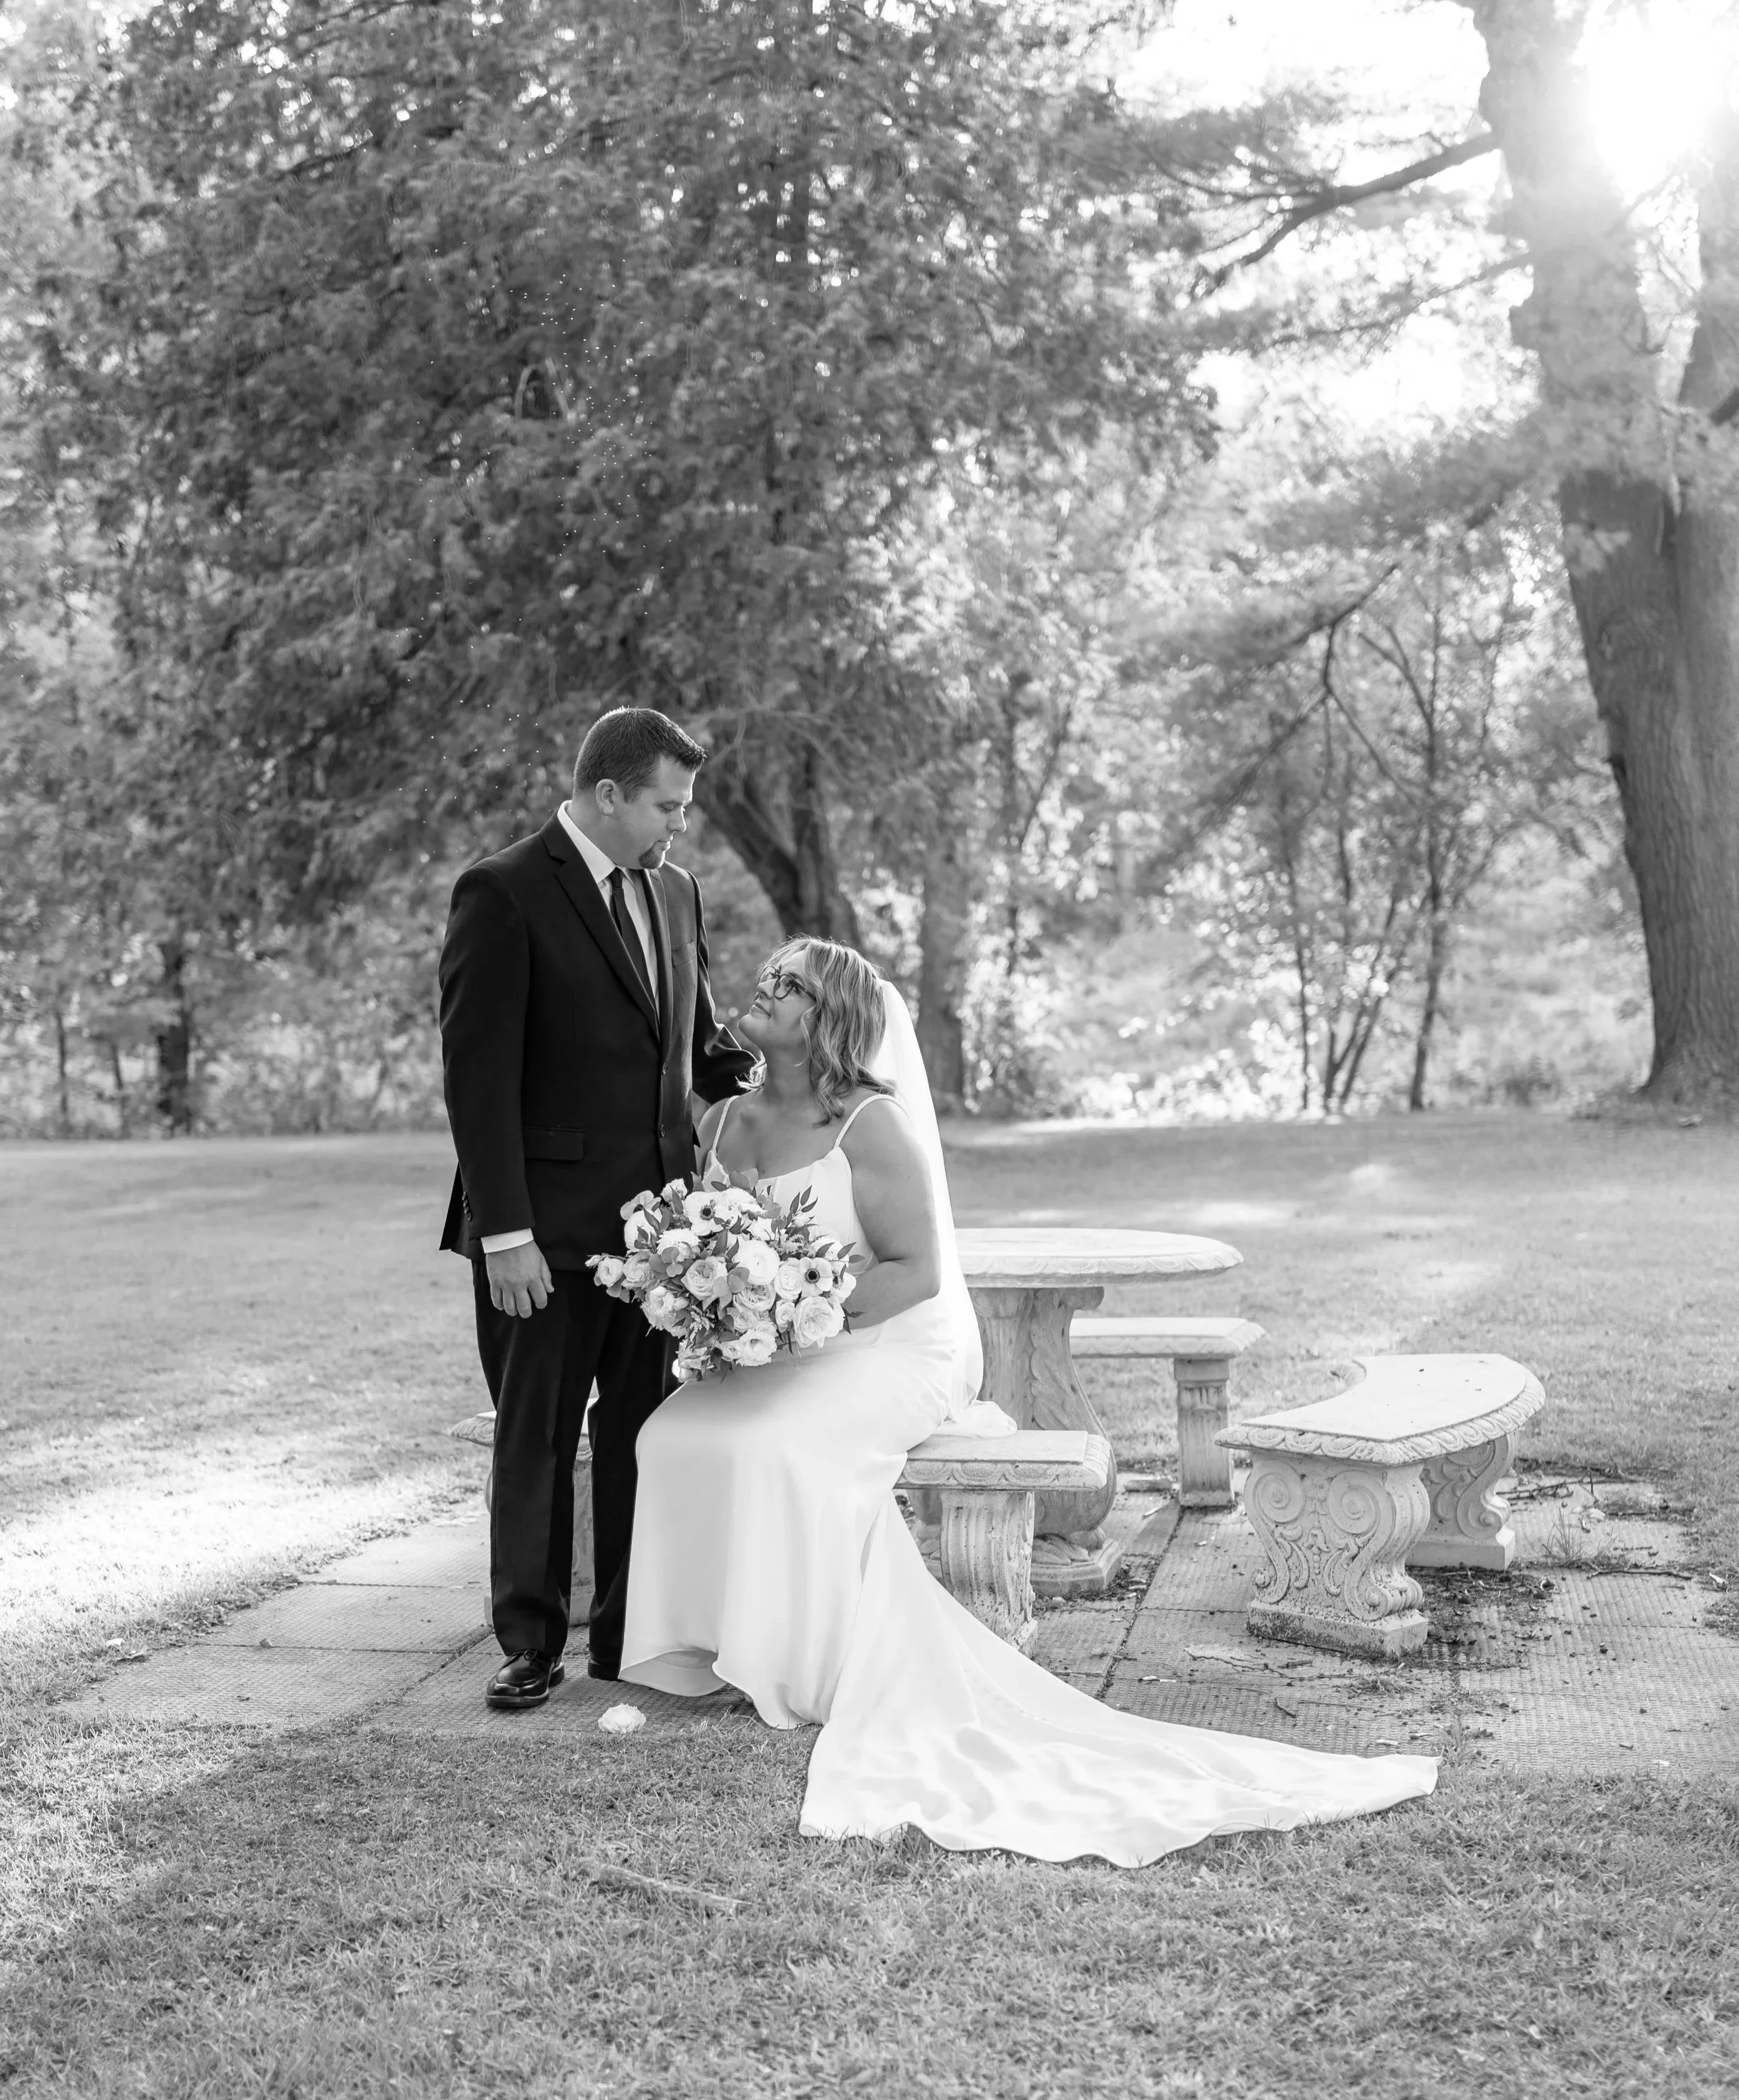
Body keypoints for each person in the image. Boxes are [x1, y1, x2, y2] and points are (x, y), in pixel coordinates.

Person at [620, 939, 1438, 1866]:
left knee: (776, 1449)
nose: (763, 990)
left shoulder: (870, 1126)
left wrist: (804, 1319)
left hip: (883, 1346)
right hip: (783, 1344)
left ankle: (790, 1665)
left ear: (831, 1020)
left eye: (790, 987)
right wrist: (729, 1311)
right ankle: (701, 1643)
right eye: (767, 977)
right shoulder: (722, 1119)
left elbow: (918, 1274)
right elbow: (720, 1244)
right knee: (671, 1432)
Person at [438, 707, 756, 1711]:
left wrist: (796, 1070)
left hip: (661, 1240)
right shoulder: (502, 892)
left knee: (641, 1435)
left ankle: (628, 1635)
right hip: (540, 1235)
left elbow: (696, 1046)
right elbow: (475, 1081)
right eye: (667, 805)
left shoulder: (676, 892)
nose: (680, 826)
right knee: (535, 1434)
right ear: (607, 793)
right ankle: (530, 1642)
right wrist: (507, 1235)